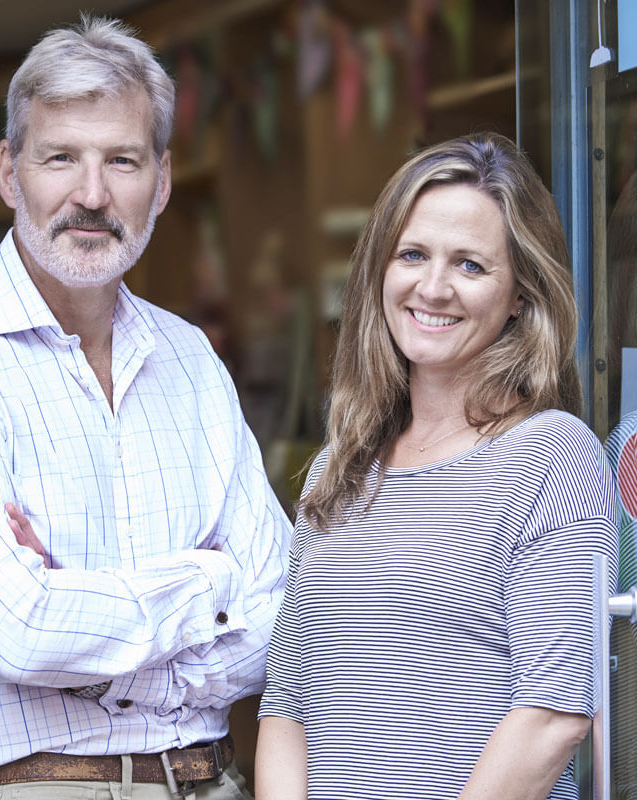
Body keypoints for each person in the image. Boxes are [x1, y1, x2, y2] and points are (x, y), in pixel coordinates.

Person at [0, 16, 291, 800]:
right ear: (9, 172)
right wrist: (209, 579)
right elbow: (19, 633)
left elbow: (283, 619)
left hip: (217, 781)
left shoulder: (191, 358)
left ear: (160, 182)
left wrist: (85, 633)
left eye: (121, 160)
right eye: (61, 157)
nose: (91, 196)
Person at [254, 132, 619, 800]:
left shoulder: (552, 455)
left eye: (471, 266)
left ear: (520, 295)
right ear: (379, 273)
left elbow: (553, 714)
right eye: (413, 254)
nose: (433, 287)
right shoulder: (339, 467)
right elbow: (286, 703)